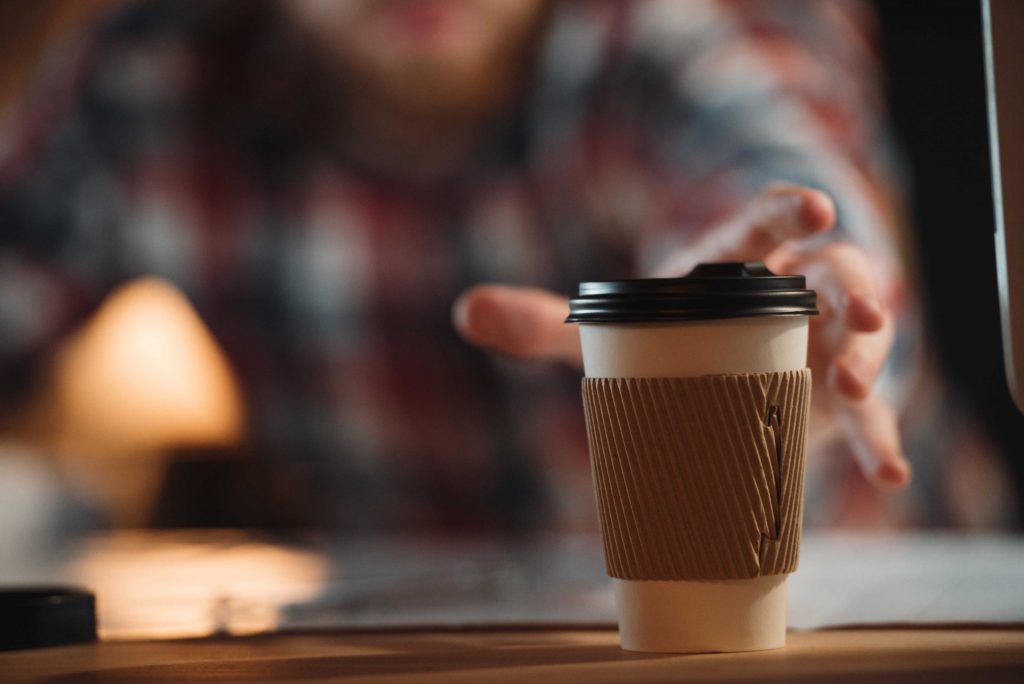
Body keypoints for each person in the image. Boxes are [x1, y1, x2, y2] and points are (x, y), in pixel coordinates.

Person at [0, 0, 924, 532]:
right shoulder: (147, 74)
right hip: (408, 646)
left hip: (847, 627)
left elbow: (775, 175)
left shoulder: (677, 30)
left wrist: (779, 310)